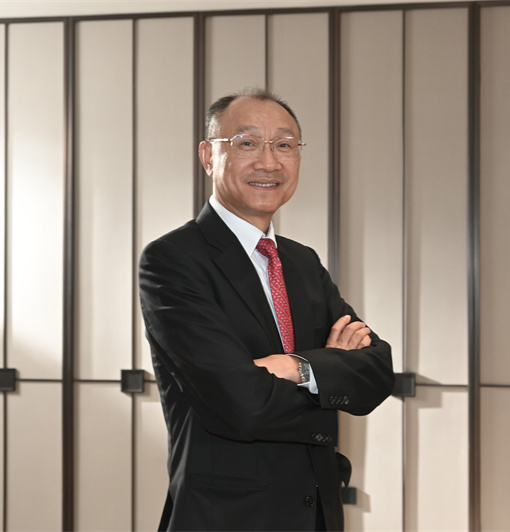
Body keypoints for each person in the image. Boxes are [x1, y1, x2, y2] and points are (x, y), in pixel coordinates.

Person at [139, 88, 395, 531]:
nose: (269, 162)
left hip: (316, 513)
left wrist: (296, 367)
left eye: (284, 145)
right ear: (208, 156)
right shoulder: (173, 260)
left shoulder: (302, 262)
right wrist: (330, 372)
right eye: (247, 143)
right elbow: (242, 403)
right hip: (227, 517)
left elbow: (377, 372)